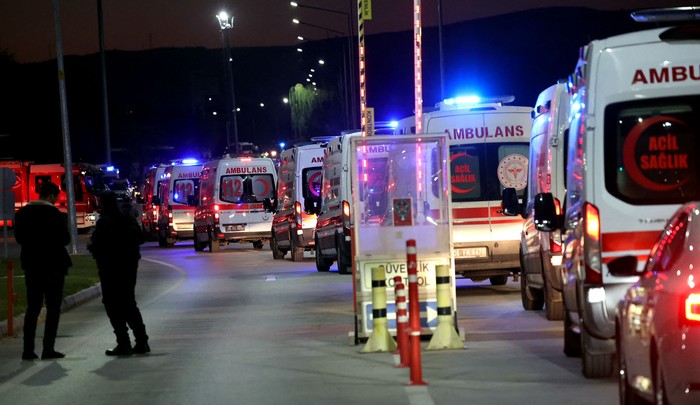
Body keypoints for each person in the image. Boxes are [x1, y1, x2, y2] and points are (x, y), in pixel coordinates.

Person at [14, 181, 71, 360]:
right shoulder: (56, 215)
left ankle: (28, 349)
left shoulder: (22, 213)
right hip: (54, 266)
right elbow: (65, 239)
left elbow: (19, 238)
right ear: (52, 196)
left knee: (33, 308)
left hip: (32, 265)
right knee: (53, 308)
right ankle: (48, 348)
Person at [88, 190, 149, 356]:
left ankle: (123, 342)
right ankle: (141, 341)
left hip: (111, 269)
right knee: (129, 303)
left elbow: (99, 245)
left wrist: (94, 247)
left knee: (112, 305)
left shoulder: (105, 222)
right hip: (129, 267)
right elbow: (141, 238)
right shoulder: (127, 218)